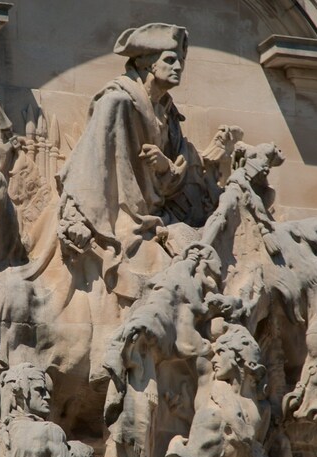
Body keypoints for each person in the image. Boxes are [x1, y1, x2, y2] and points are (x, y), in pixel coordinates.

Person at [58, 23, 229, 300]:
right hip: (120, 215)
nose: (179, 68)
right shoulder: (117, 102)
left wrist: (165, 166)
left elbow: (177, 178)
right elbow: (90, 162)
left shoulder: (170, 116)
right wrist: (75, 217)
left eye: (181, 61)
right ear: (149, 65)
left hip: (156, 215)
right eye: (170, 60)